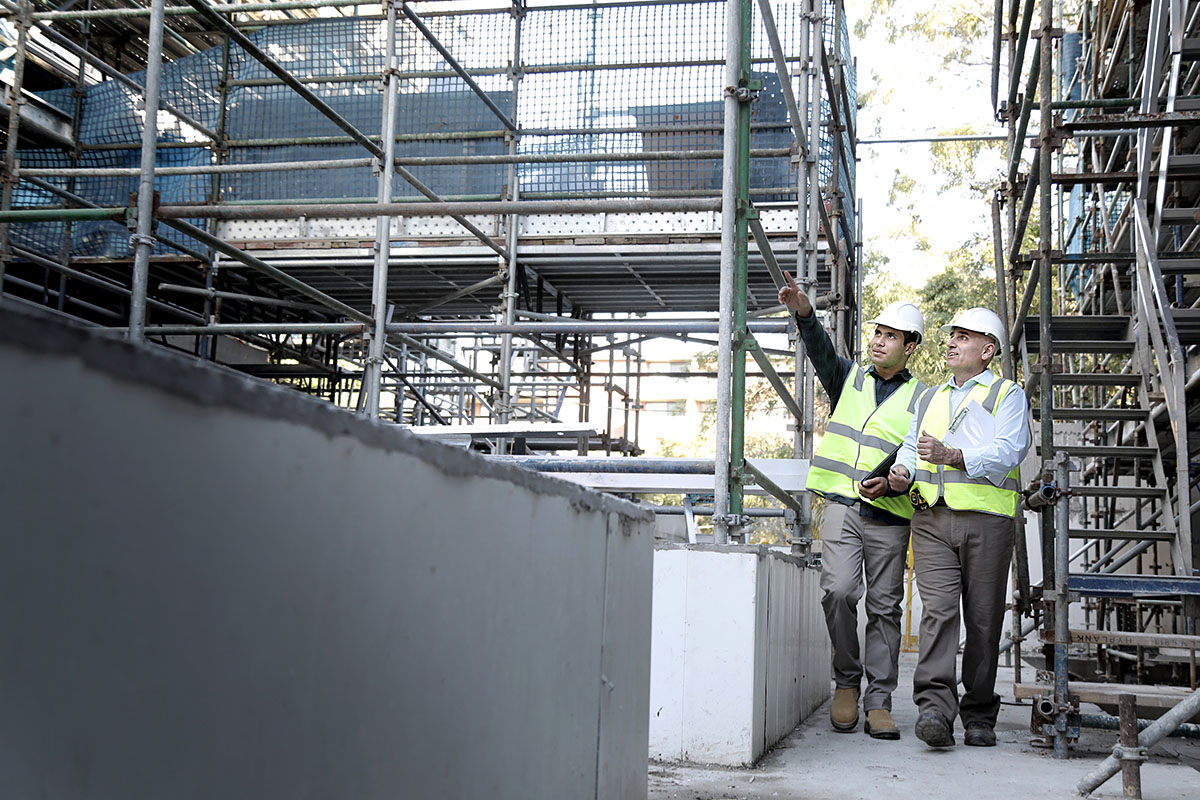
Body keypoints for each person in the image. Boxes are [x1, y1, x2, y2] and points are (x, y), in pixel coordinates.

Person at [778, 272, 926, 740]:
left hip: (891, 516)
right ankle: (846, 682)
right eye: (878, 332)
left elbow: (916, 455)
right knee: (838, 592)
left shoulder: (924, 398)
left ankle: (878, 701)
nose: (880, 341)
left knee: (885, 608)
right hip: (842, 506)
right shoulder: (849, 378)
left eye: (891, 335)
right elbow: (819, 347)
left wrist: (898, 482)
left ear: (911, 346)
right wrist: (804, 311)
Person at [887, 307, 1031, 749]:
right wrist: (901, 470)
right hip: (931, 518)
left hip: (987, 521)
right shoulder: (930, 396)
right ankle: (934, 709)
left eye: (964, 337)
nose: (951, 342)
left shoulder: (1007, 395)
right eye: (951, 336)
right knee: (938, 613)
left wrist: (954, 456)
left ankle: (980, 712)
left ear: (987, 351)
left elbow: (1011, 451)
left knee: (984, 621)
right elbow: (913, 444)